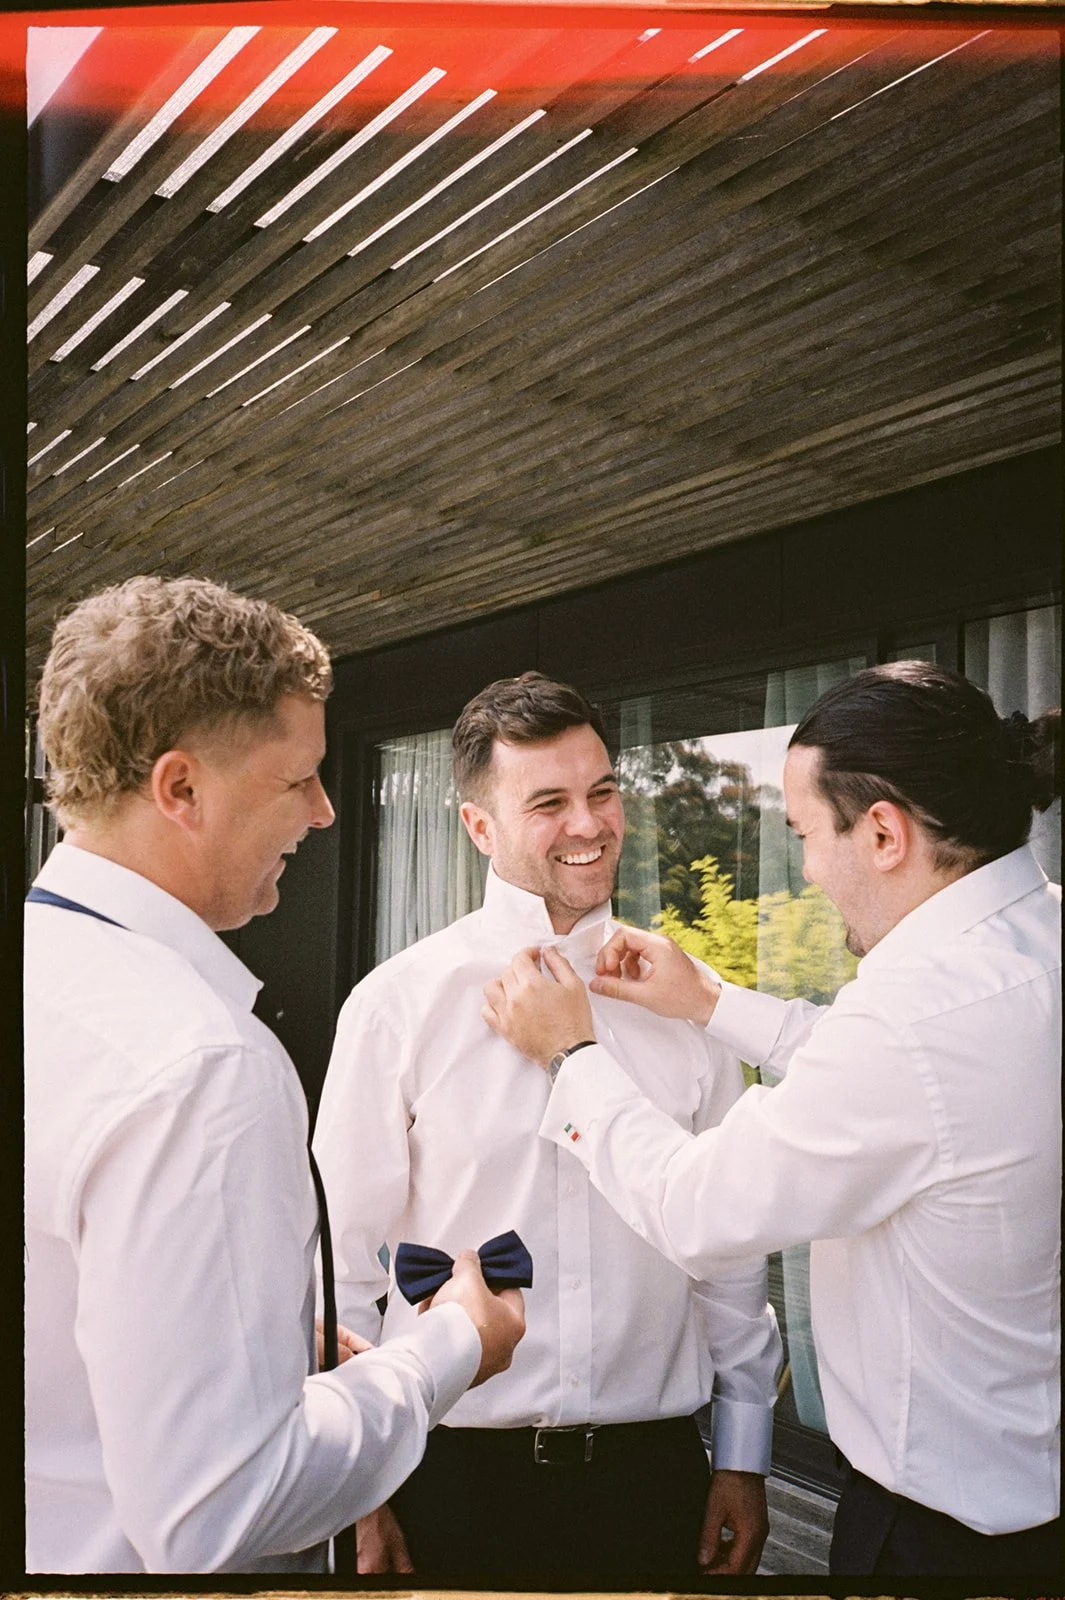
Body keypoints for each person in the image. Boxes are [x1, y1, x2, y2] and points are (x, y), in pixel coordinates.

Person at [483, 660, 1061, 1578]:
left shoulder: (912, 1022)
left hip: (944, 1550)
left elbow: (695, 1209)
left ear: (880, 833)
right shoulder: (1032, 941)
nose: (803, 868)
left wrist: (571, 1055)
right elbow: (898, 1080)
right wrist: (711, 1000)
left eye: (800, 832)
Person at [25, 575, 525, 1575]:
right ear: (181, 789)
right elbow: (220, 1511)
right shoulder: (200, 1067)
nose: (328, 812)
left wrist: (272, 1342)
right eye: (297, 778)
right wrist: (452, 1346)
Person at [313, 671, 781, 1586]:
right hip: (441, 1478)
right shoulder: (397, 1006)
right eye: (549, 802)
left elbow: (728, 1254)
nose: (589, 824)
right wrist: (355, 1490)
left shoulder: (683, 998)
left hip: (655, 1485)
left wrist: (745, 1452)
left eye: (602, 791)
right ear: (479, 827)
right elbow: (340, 1270)